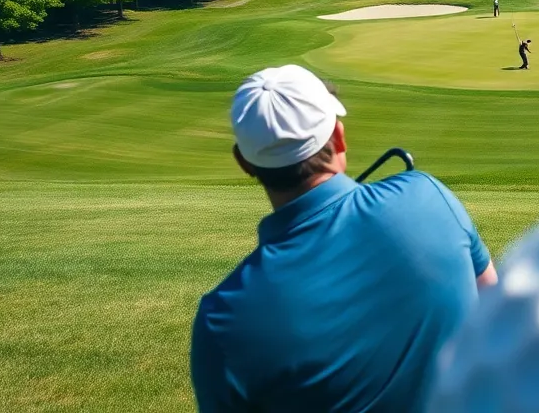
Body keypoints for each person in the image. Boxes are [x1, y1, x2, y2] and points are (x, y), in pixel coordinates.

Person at [191, 65, 497, 412]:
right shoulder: (429, 196)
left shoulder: (222, 320)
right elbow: (494, 308)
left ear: (244, 163)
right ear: (339, 136)